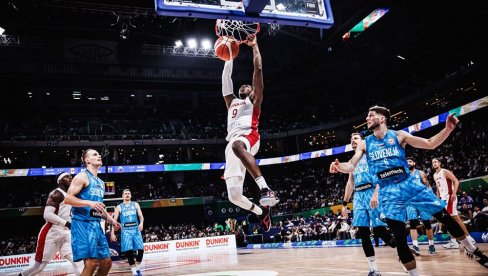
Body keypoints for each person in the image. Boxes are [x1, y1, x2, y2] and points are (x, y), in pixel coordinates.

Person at [330, 106, 487, 275]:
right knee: (399, 237)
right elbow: (351, 165)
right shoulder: (364, 143)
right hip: (387, 191)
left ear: (382, 119)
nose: (367, 118)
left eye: (371, 115)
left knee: (445, 217)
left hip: (409, 184)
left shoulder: (399, 135)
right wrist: (339, 167)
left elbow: (429, 143)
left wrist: (447, 129)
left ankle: (472, 250)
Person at [220, 34, 279, 232]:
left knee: (238, 145)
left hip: (249, 137)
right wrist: (229, 57)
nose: (245, 85)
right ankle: (261, 213)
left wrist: (254, 46)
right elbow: (226, 79)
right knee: (233, 196)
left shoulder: (254, 100)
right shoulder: (231, 102)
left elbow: (258, 70)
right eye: (242, 86)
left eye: (248, 85)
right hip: (233, 144)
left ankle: (265, 188)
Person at [342, 133, 396, 276]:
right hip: (358, 196)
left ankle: (400, 249)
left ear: (363, 141)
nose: (353, 140)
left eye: (356, 138)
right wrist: (344, 203)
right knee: (363, 233)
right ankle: (374, 269)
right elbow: (350, 183)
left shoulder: (372, 155)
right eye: (351, 138)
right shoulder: (351, 162)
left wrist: (376, 193)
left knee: (379, 231)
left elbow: (381, 175)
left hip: (372, 191)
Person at [65, 149, 121, 276]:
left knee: (107, 263)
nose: (99, 155)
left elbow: (99, 208)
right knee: (91, 263)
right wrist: (89, 203)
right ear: (87, 160)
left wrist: (112, 220)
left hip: (96, 225)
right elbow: (68, 198)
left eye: (99, 154)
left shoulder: (101, 183)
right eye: (95, 154)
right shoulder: (82, 176)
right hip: (82, 224)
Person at [19, 173, 81, 276]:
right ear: (60, 181)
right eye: (66, 176)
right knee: (39, 267)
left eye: (71, 176)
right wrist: (66, 223)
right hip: (51, 232)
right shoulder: (56, 193)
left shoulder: (72, 195)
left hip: (67, 232)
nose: (70, 177)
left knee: (77, 261)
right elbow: (47, 215)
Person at [432, 157, 476, 249]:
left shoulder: (445, 171)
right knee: (454, 219)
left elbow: (456, 181)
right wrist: (438, 198)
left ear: (439, 163)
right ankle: (467, 238)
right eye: (433, 162)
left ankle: (457, 241)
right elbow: (438, 188)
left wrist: (454, 193)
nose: (434, 163)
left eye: (436, 162)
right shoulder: (434, 175)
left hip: (449, 197)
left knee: (450, 219)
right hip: (443, 199)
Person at [405, 157, 436, 255]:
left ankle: (431, 245)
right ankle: (415, 246)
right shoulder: (403, 175)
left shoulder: (421, 173)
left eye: (410, 161)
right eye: (407, 162)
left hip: (422, 200)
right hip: (410, 201)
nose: (408, 163)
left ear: (414, 163)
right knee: (412, 224)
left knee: (427, 223)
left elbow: (428, 186)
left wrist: (432, 199)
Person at [111, 189, 145, 276]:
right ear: (122, 196)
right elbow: (114, 221)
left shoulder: (136, 204)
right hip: (125, 231)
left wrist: (141, 223)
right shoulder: (119, 207)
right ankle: (134, 273)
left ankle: (137, 269)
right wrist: (112, 233)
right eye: (125, 194)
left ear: (131, 195)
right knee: (129, 252)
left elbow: (141, 216)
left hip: (136, 230)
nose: (127, 195)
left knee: (141, 250)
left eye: (128, 193)